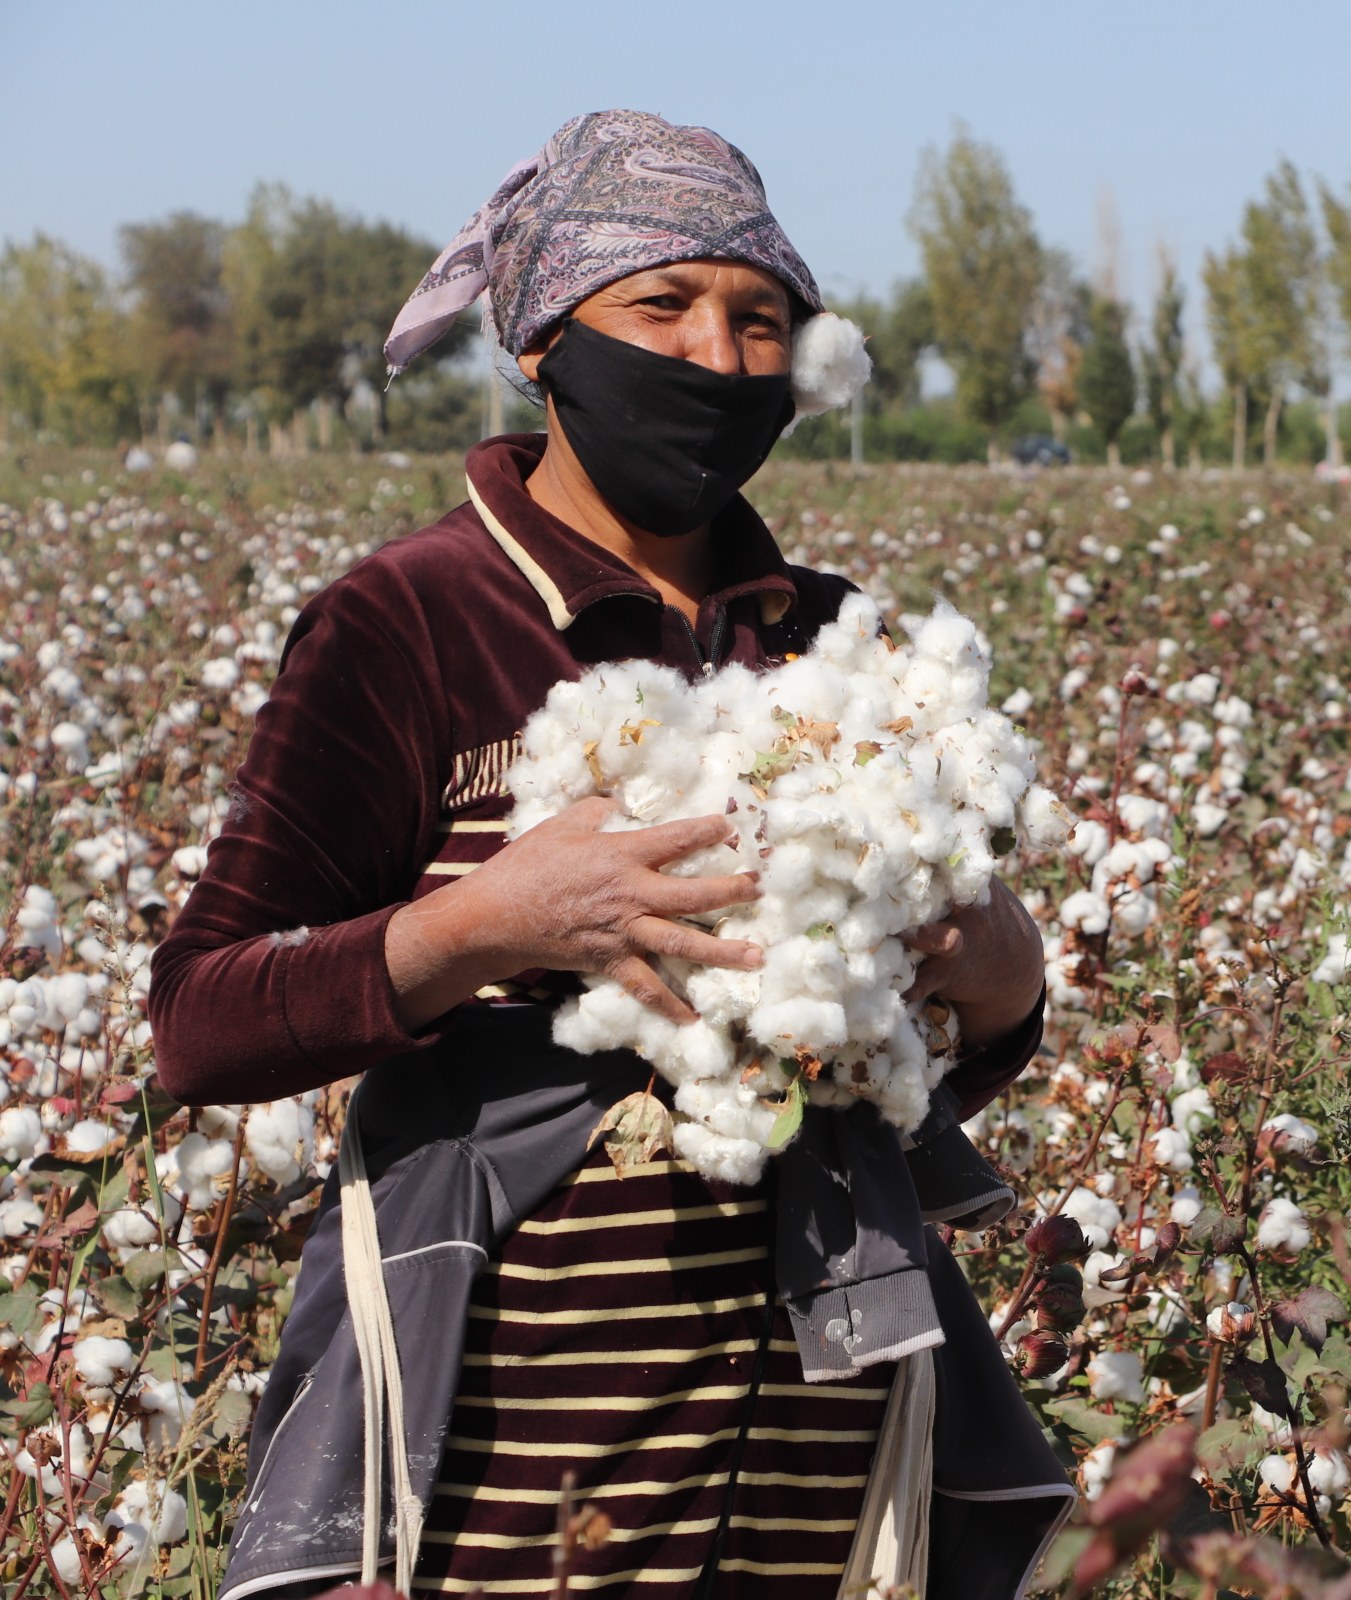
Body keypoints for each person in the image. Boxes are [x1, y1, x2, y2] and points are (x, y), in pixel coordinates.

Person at [149, 110, 1071, 1600]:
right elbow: (199, 1023)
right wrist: (490, 925)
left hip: (817, 1472)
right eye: (665, 306)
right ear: (540, 342)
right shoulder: (408, 622)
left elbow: (954, 1048)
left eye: (760, 320)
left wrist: (998, 964)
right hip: (505, 1476)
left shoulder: (834, 643)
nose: (716, 357)